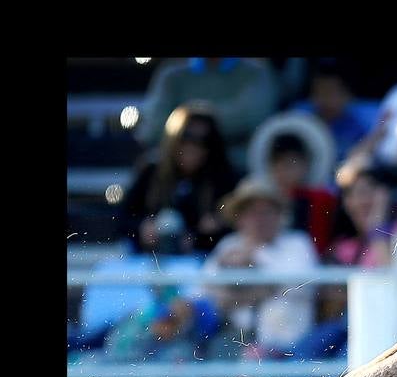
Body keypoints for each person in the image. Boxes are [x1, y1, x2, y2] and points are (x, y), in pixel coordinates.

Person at [200, 177, 319, 377]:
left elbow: (304, 286)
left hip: (290, 345)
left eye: (266, 212)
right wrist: (255, 287)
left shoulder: (297, 243)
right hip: (236, 341)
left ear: (279, 214)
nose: (259, 219)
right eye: (251, 213)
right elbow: (206, 293)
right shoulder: (229, 246)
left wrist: (252, 266)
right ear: (240, 218)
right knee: (186, 359)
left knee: (254, 362)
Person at [119, 103, 239, 254]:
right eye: (186, 137)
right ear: (173, 138)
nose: (192, 146)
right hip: (152, 260)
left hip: (204, 263)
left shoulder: (224, 179)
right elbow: (122, 218)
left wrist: (203, 235)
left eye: (204, 141)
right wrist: (142, 227)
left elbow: (238, 226)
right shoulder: (151, 172)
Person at [136, 58, 279, 169]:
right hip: (180, 161)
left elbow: (252, 117)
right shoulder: (171, 74)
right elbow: (154, 126)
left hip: (235, 163)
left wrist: (186, 120)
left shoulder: (256, 73)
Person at [267, 131, 338, 257]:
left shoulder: (321, 200)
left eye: (291, 164)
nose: (285, 172)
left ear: (306, 165)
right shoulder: (263, 201)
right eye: (279, 164)